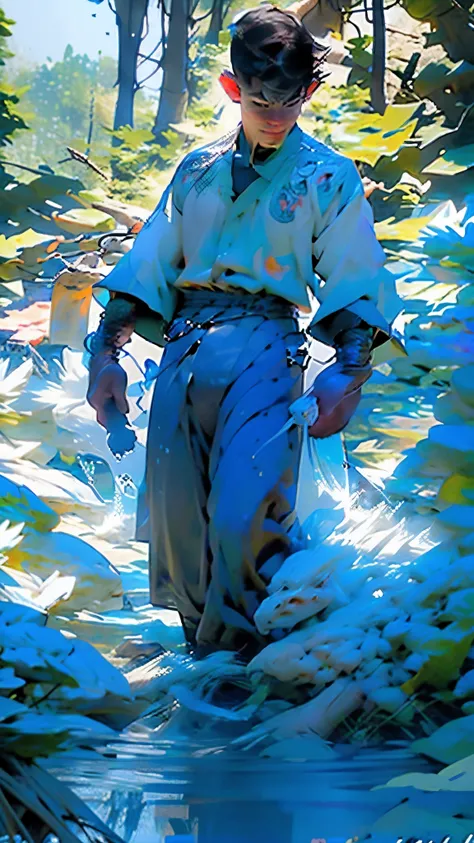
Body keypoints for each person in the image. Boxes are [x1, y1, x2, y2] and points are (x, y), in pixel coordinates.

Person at [86, 2, 402, 656]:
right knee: (177, 526)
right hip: (183, 354)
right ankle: (206, 676)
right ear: (233, 90)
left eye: (291, 101)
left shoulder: (326, 176)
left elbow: (353, 272)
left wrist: (351, 366)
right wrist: (106, 353)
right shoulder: (194, 171)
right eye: (262, 101)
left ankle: (250, 662)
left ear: (309, 92)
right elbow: (149, 261)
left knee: (242, 520)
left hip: (266, 354)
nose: (277, 115)